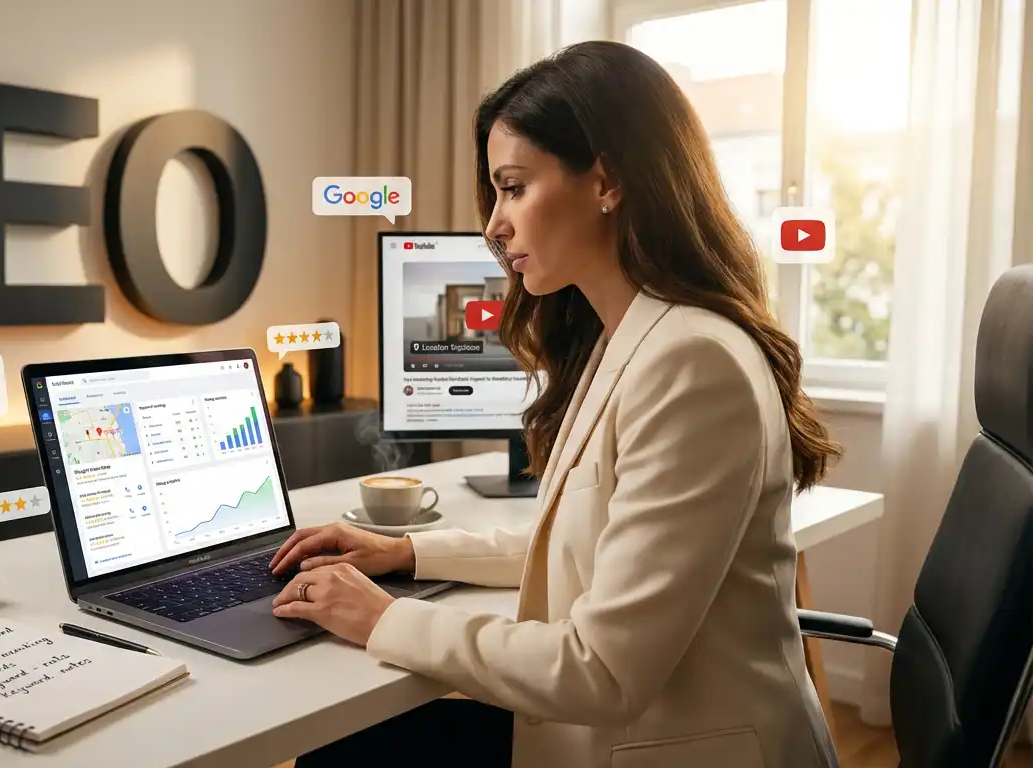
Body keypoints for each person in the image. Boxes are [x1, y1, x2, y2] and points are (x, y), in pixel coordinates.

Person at [268, 40, 845, 768]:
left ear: (606, 182)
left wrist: (383, 618)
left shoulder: (694, 362)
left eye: (513, 188)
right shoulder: (629, 338)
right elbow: (590, 541)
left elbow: (600, 670)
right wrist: (408, 552)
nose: (493, 227)